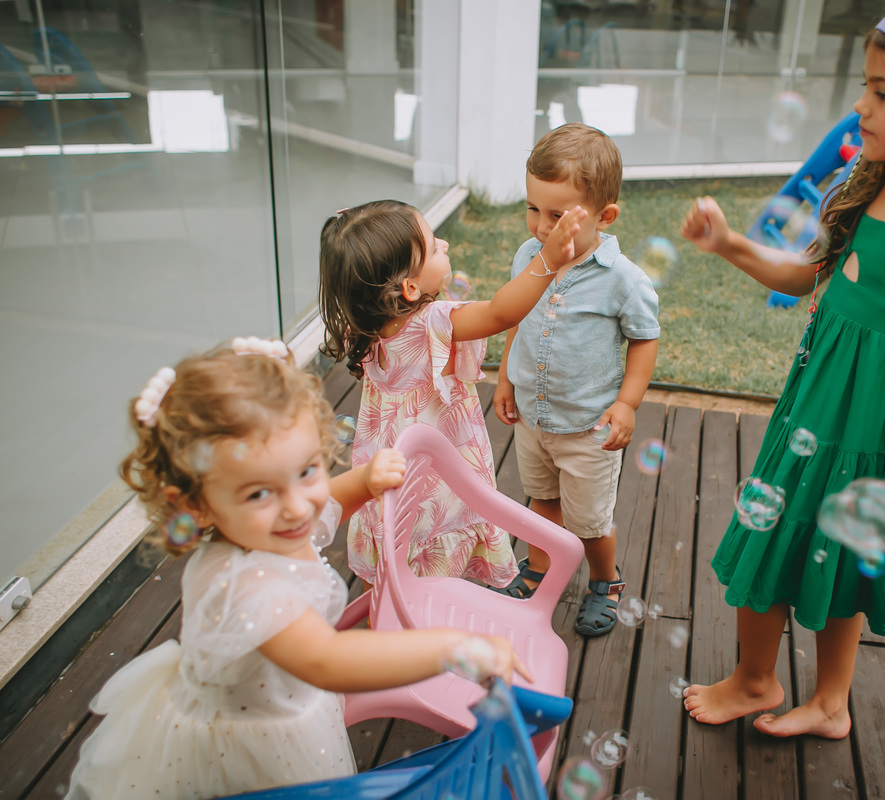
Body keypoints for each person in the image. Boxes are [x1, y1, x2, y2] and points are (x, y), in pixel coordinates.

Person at [677, 0, 885, 735]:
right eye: (866, 86)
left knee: (845, 554)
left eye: (884, 93)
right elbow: (806, 274)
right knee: (779, 535)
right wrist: (730, 244)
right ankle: (758, 679)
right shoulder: (870, 179)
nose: (861, 106)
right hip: (815, 410)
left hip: (875, 433)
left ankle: (828, 701)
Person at [66, 338, 532, 800]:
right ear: (194, 505)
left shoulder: (265, 527)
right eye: (258, 493)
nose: (297, 507)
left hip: (285, 702)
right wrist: (454, 648)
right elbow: (326, 661)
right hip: (250, 748)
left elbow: (327, 503)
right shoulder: (244, 586)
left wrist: (364, 481)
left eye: (307, 470)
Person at [319, 200, 585, 588]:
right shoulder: (432, 323)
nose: (443, 243)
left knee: (391, 564)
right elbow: (500, 313)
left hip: (387, 476)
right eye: (432, 246)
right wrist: (548, 260)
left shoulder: (363, 326)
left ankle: (382, 612)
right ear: (410, 287)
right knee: (433, 586)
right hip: (436, 484)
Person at [491, 123, 660, 637]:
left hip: (588, 428)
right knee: (542, 502)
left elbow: (644, 339)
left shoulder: (622, 279)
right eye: (533, 209)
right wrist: (505, 379)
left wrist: (627, 404)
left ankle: (605, 581)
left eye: (557, 215)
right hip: (534, 417)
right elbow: (515, 319)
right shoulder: (529, 257)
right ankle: (540, 569)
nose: (541, 226)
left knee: (589, 522)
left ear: (604, 216)